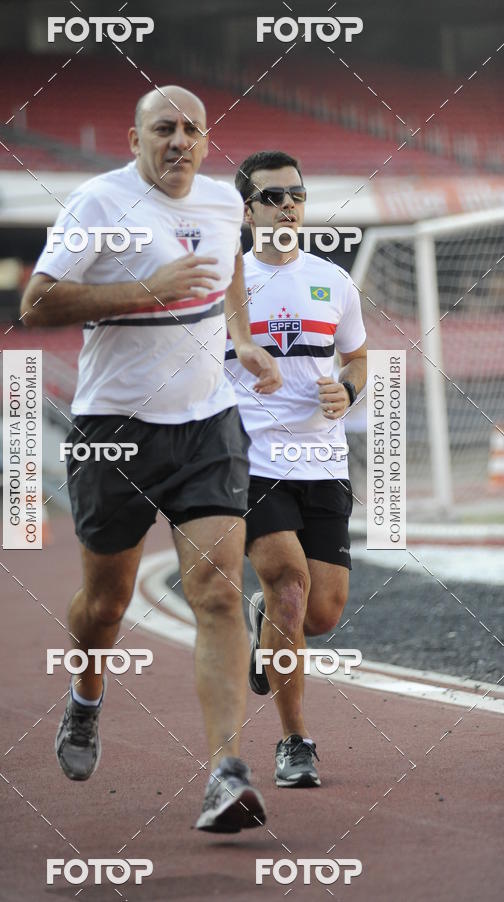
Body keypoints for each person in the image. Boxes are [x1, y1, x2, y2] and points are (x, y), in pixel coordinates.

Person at [20, 87, 282, 832]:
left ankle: (225, 773)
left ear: (206, 142)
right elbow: (35, 304)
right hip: (116, 430)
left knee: (221, 594)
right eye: (162, 129)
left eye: (192, 130)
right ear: (134, 138)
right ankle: (86, 695)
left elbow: (228, 264)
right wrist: (146, 291)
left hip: (207, 423)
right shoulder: (98, 204)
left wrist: (244, 337)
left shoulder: (222, 203)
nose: (178, 141)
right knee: (105, 607)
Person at [226, 150, 367, 788]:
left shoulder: (334, 281)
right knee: (289, 587)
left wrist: (348, 387)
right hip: (252, 459)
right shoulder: (227, 284)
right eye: (274, 196)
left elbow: (358, 358)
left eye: (297, 194)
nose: (289, 204)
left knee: (322, 613)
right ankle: (294, 742)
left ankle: (265, 627)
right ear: (248, 210)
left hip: (325, 461)